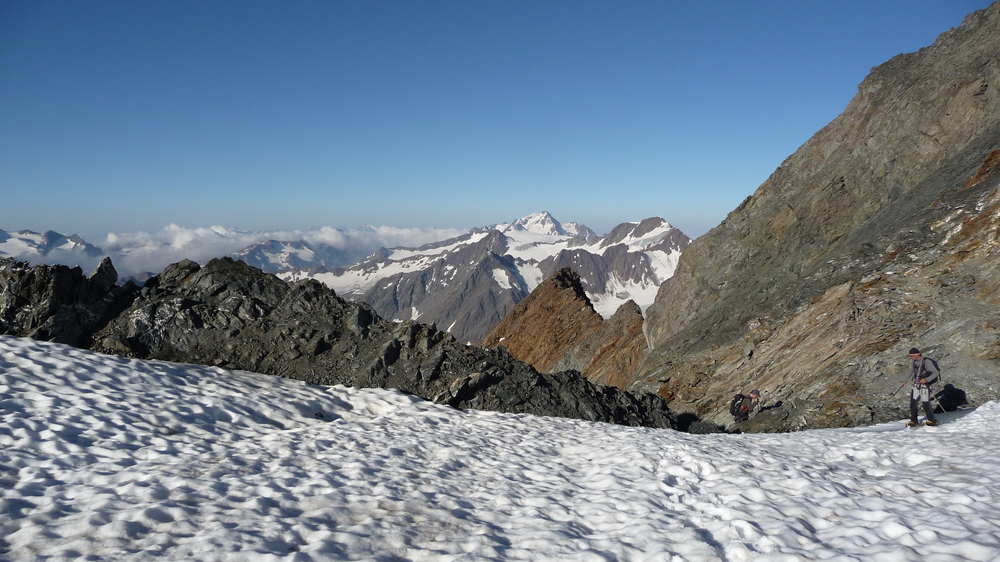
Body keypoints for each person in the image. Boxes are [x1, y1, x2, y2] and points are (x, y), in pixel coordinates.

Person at [901, 348, 940, 427]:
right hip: (916, 384)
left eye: (913, 356)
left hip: (925, 385)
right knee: (913, 403)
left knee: (925, 403)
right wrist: (903, 380)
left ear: (918, 354)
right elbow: (910, 371)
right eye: (911, 356)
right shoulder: (914, 362)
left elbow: (936, 372)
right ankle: (914, 421)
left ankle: (932, 421)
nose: (912, 357)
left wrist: (926, 380)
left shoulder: (927, 362)